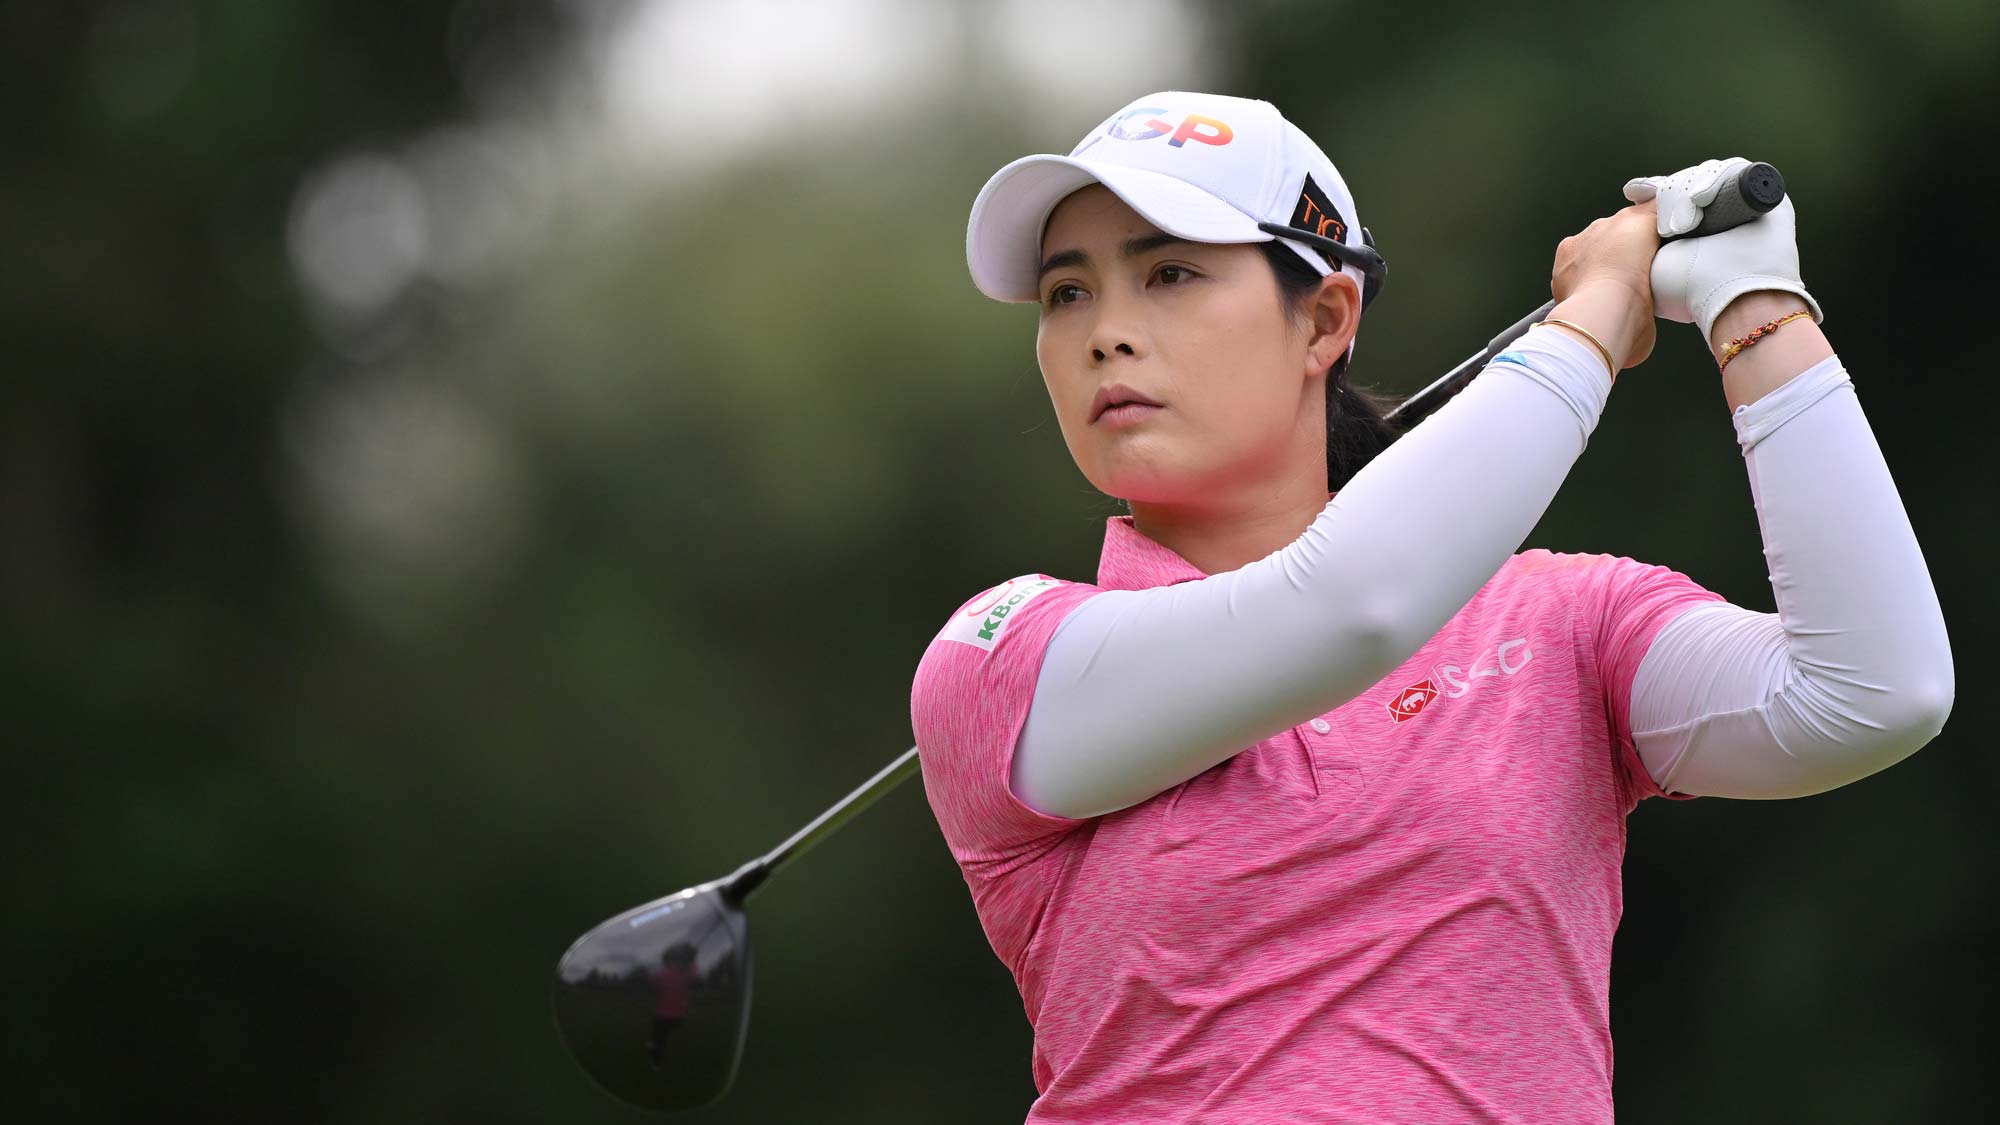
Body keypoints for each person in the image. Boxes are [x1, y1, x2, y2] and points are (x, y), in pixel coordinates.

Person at [908, 91, 1953, 1124]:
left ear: (1321, 320)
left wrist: (1753, 302)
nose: (1105, 335)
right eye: (1065, 294)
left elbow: (1868, 693)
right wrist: (1594, 311)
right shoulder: (999, 658)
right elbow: (1348, 609)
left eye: (1168, 272)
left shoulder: (1556, 622)